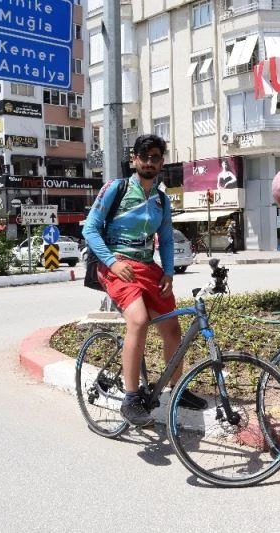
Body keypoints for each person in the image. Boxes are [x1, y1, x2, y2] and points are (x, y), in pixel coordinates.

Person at [82, 134, 207, 426]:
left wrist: (168, 272)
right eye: (144, 157)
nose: (149, 162)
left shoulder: (162, 199)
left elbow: (164, 238)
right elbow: (90, 230)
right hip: (115, 265)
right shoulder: (117, 188)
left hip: (148, 267)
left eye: (155, 157)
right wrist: (112, 262)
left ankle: (178, 388)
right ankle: (130, 397)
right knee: (137, 321)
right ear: (134, 160)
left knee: (172, 327)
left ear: (162, 162)